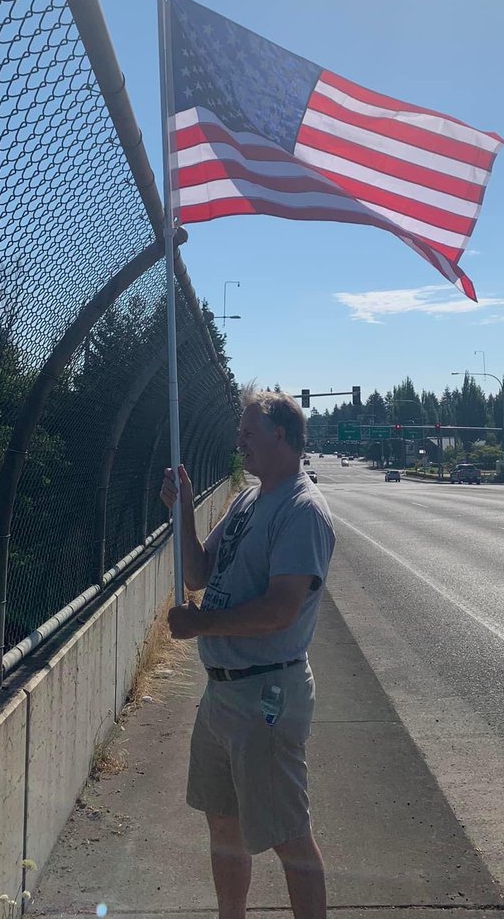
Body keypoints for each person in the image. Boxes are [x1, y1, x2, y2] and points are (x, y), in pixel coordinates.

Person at [160, 389, 335, 919]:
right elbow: (198, 573)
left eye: (248, 433)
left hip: (265, 693)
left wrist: (201, 624)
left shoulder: (302, 511)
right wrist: (183, 512)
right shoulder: (249, 500)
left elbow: (281, 610)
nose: (239, 442)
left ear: (280, 434)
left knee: (287, 835)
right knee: (223, 822)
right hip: (222, 691)